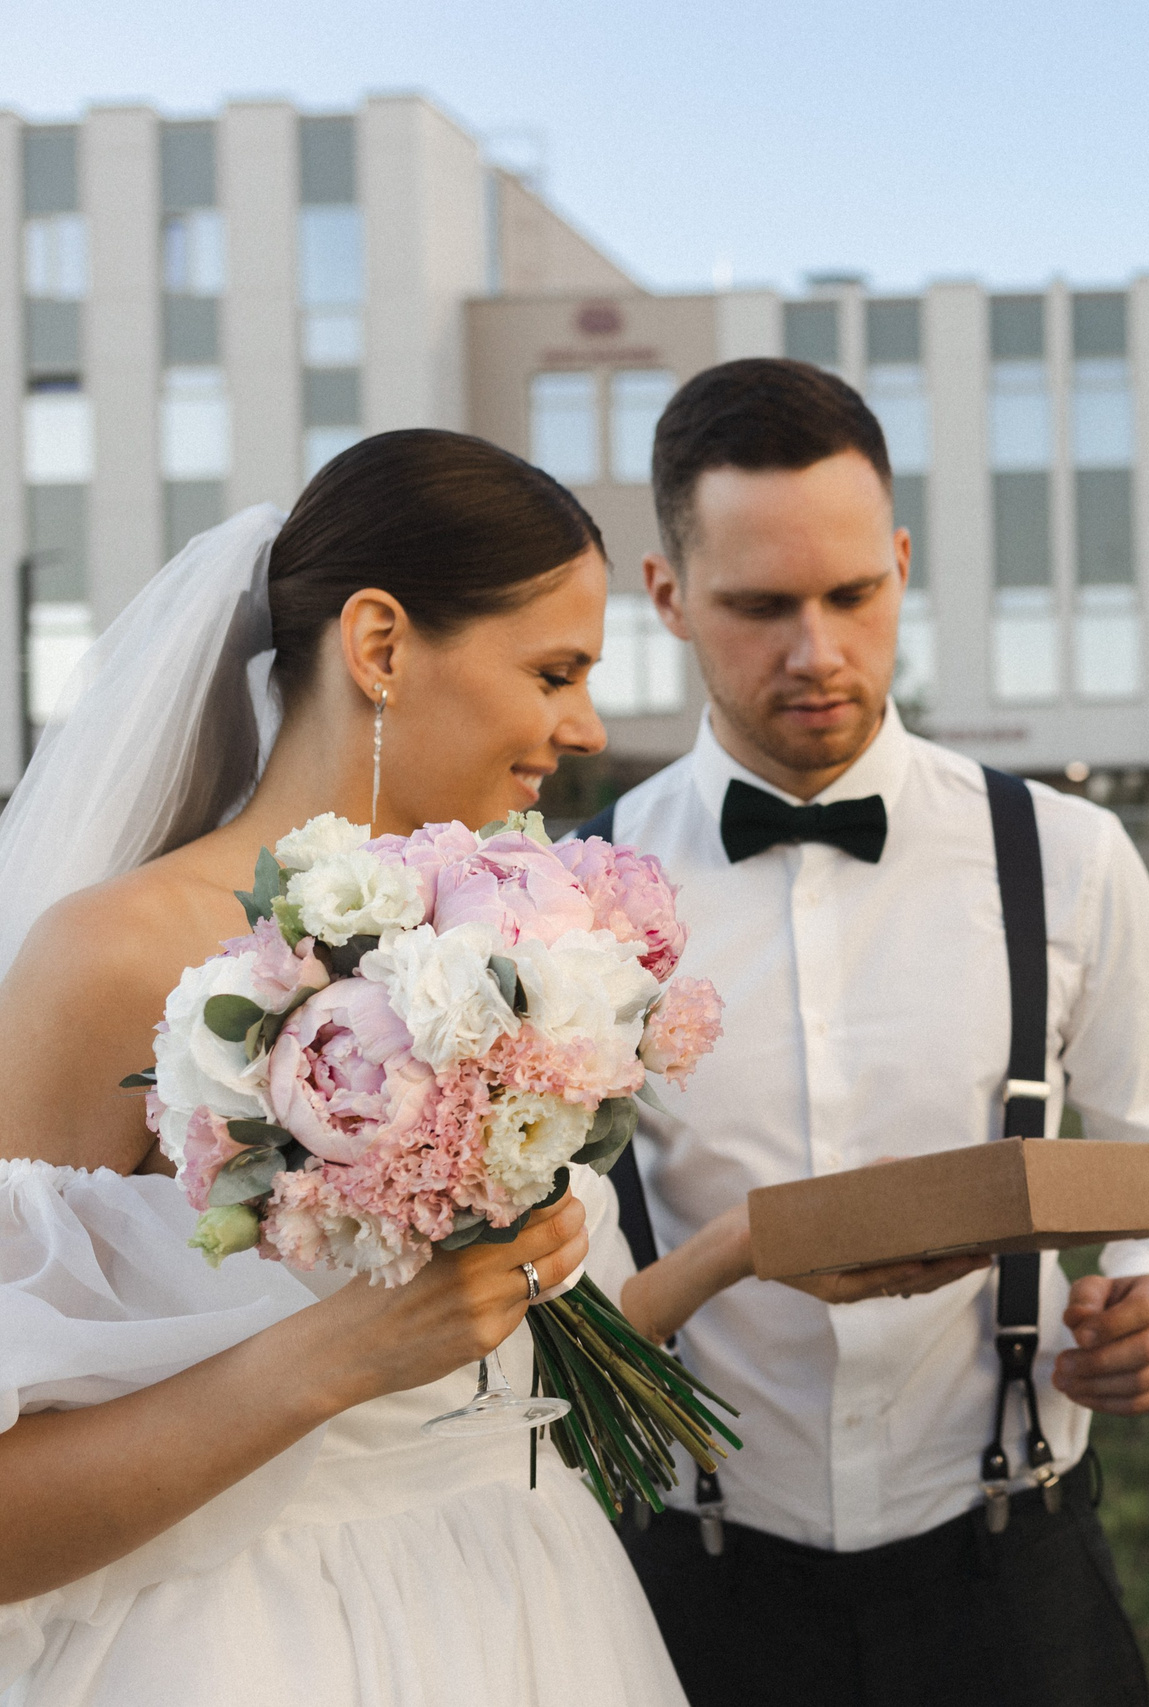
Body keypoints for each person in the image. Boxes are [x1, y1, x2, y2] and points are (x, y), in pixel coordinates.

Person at [0, 429, 939, 1705]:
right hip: (254, 1645)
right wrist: (333, 1358)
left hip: (530, 1613)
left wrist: (746, 1248)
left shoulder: (511, 948)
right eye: (555, 669)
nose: (589, 723)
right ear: (380, 646)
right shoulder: (109, 965)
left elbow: (506, 1363)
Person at [593, 357, 1149, 1706]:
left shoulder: (1068, 853)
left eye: (851, 595)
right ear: (667, 598)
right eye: (760, 605)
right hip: (689, 1582)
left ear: (899, 563)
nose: (817, 650)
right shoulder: (571, 899)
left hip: (1011, 1565)